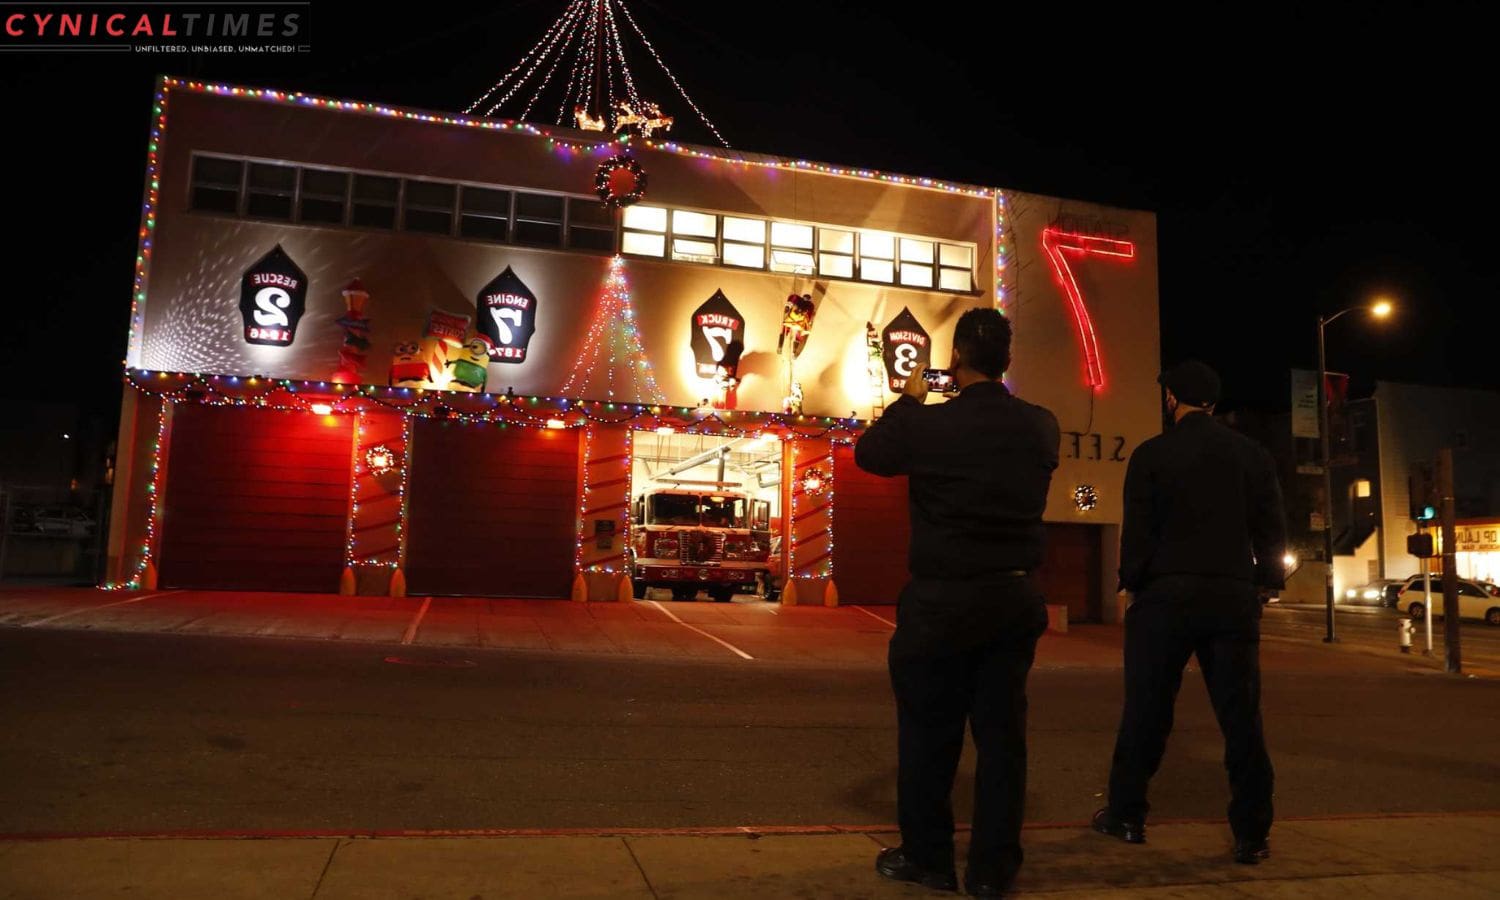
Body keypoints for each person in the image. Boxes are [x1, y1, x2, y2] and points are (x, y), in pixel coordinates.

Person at [855, 308, 1060, 898]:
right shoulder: (1040, 426)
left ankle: (930, 857)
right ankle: (993, 870)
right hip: (1013, 596)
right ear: (1008, 361)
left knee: (928, 734)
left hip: (942, 600)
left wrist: (909, 401)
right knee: (1002, 739)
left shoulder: (930, 425)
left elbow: (872, 455)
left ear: (955, 359)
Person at [1093, 360, 1286, 865]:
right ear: (1214, 404)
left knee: (1148, 710)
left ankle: (1127, 814)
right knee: (1241, 718)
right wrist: (1265, 582)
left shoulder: (1153, 454)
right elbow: (1270, 528)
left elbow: (1139, 530)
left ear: (1172, 399)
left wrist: (1134, 582)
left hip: (1167, 596)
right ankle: (1252, 834)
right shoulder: (1252, 456)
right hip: (1230, 595)